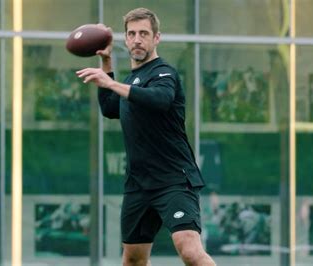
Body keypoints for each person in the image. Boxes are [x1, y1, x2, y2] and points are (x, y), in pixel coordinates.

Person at [76, 7, 216, 266]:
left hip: (173, 179)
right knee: (133, 260)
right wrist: (107, 64)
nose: (137, 39)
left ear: (156, 38)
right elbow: (109, 108)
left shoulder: (164, 73)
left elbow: (160, 100)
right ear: (126, 39)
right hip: (138, 184)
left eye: (144, 33)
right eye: (131, 34)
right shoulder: (132, 79)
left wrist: (112, 83)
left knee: (190, 251)